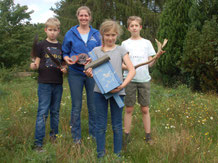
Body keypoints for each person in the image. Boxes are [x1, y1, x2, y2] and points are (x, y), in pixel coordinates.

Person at [85, 20, 135, 158]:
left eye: (113, 35)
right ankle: (100, 155)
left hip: (118, 93)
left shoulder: (121, 50)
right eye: (107, 35)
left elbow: (132, 70)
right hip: (99, 93)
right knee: (100, 125)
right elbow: (89, 70)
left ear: (117, 35)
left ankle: (117, 156)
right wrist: (89, 73)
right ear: (102, 35)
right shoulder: (95, 52)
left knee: (117, 126)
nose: (110, 38)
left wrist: (123, 85)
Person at [122, 16, 165, 145]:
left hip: (144, 80)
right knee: (129, 109)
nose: (134, 27)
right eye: (132, 26)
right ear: (128, 28)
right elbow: (121, 64)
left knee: (145, 109)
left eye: (136, 25)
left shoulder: (146, 43)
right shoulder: (125, 44)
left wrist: (156, 57)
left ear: (140, 27)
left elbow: (150, 63)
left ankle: (148, 136)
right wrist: (130, 68)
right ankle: (126, 137)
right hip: (129, 80)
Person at [62, 6, 101, 144]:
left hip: (92, 73)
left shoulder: (96, 34)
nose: (84, 18)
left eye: (86, 15)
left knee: (93, 105)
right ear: (78, 17)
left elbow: (101, 52)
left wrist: (94, 63)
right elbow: (65, 52)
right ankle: (76, 137)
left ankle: (94, 135)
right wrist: (67, 59)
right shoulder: (70, 33)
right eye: (81, 15)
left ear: (90, 17)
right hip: (75, 74)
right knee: (76, 106)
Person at [30, 17, 67, 151]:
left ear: (58, 31)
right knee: (43, 112)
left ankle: (54, 138)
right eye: (50, 30)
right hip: (44, 83)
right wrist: (33, 65)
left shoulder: (61, 46)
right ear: (46, 30)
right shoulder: (40, 45)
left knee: (55, 112)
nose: (52, 32)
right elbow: (35, 63)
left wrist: (65, 69)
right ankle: (38, 144)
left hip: (58, 83)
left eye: (55, 30)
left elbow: (64, 64)